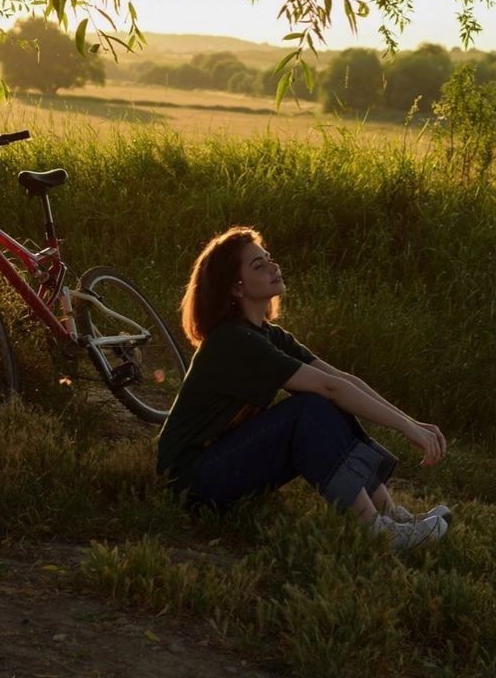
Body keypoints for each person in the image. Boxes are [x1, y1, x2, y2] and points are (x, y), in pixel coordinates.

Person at [157, 226, 451, 551]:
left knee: (329, 400)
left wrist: (410, 421)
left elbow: (342, 380)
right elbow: (330, 387)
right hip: (189, 480)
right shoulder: (233, 341)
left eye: (268, 258)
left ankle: (391, 515)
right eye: (258, 265)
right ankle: (375, 531)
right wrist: (406, 429)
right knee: (312, 408)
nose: (273, 267)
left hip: (218, 465)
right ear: (236, 288)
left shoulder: (267, 334)